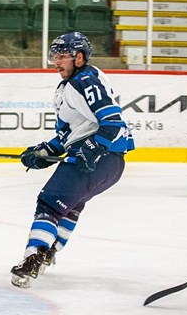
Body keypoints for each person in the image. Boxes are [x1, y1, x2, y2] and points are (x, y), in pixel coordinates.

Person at [9, 32, 135, 288]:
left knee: (49, 203)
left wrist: (91, 148)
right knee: (71, 204)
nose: (56, 62)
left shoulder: (86, 80)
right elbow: (66, 136)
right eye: (54, 55)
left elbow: (113, 123)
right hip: (109, 163)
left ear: (79, 57)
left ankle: (33, 259)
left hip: (102, 156)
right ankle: (49, 252)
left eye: (63, 56)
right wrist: (42, 152)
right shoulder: (68, 87)